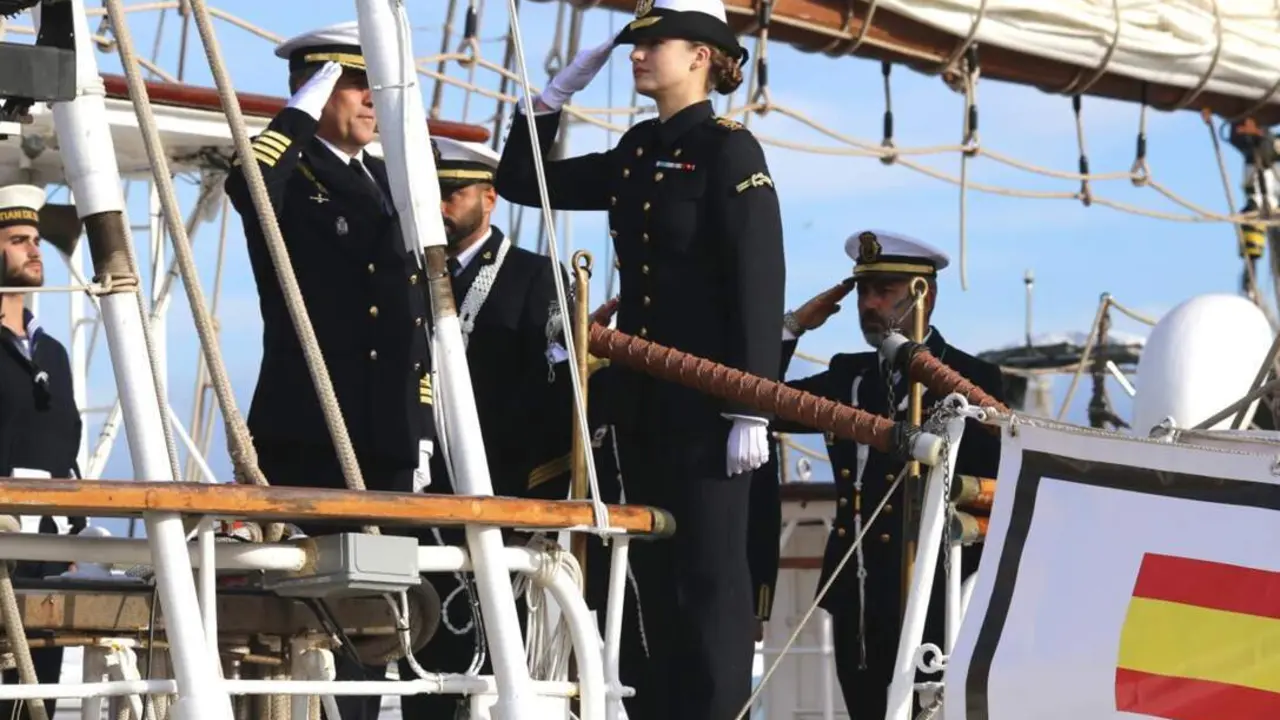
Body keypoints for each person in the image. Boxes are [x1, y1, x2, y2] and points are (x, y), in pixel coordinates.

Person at [495, 1, 786, 717]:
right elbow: (521, 182)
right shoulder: (634, 150)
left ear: (701, 57)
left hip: (712, 406)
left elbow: (758, 280)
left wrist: (751, 403)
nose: (634, 55)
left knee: (711, 581)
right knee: (648, 576)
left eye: (654, 44)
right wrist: (548, 102)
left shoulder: (730, 151)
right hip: (642, 402)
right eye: (633, 44)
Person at [222, 22, 434, 720]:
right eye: (355, 83)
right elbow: (247, 185)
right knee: (308, 611)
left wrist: (423, 419)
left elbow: (416, 312)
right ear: (317, 91)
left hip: (386, 434)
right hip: (312, 426)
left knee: (374, 621)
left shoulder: (384, 179)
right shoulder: (293, 175)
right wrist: (296, 113)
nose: (374, 98)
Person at [777, 230, 1005, 719]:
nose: (869, 303)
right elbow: (761, 401)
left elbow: (995, 502)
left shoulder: (975, 381)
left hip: (937, 603)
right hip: (858, 606)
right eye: (863, 290)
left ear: (925, 294)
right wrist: (794, 326)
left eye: (884, 291)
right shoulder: (849, 377)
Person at [397, 136, 573, 718]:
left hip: (498, 503)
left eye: (453, 194)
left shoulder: (534, 278)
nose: (441, 208)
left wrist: (535, 508)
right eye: (433, 196)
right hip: (413, 498)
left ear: (490, 198)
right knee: (414, 661)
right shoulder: (404, 277)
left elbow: (554, 406)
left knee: (493, 672)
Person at [0, 183, 86, 720]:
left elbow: (65, 441)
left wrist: (76, 522)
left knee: (42, 698)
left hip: (47, 550)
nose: (35, 250)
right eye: (17, 240)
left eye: (35, 239)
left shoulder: (51, 349)